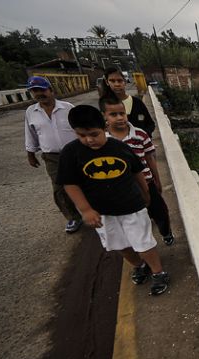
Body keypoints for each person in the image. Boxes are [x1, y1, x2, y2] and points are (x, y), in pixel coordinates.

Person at [57, 105, 170, 296]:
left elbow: (137, 172)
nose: (89, 140)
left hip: (131, 205)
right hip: (102, 211)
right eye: (82, 135)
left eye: (94, 134)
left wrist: (146, 193)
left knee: (143, 242)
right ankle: (139, 265)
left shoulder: (119, 147)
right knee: (119, 244)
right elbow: (70, 183)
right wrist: (86, 210)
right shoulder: (71, 153)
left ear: (104, 127)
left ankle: (158, 272)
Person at [99, 97, 175, 245]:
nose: (119, 118)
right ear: (104, 116)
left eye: (122, 113)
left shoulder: (140, 134)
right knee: (133, 216)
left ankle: (166, 232)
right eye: (113, 114)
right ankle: (140, 243)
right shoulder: (104, 140)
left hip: (147, 182)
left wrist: (157, 180)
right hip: (122, 188)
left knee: (159, 210)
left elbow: (150, 158)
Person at [24, 76, 83, 233]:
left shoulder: (67, 108)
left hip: (75, 153)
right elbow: (30, 133)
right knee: (59, 188)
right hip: (52, 157)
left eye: (41, 90)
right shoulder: (31, 112)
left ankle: (96, 210)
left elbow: (80, 128)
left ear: (51, 90)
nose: (39, 94)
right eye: (34, 91)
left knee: (85, 182)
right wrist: (30, 153)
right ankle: (73, 217)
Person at [101, 67, 155, 137]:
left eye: (120, 80)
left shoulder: (137, 103)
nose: (117, 84)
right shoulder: (105, 105)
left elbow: (150, 124)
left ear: (125, 82)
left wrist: (143, 137)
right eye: (112, 81)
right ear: (107, 82)